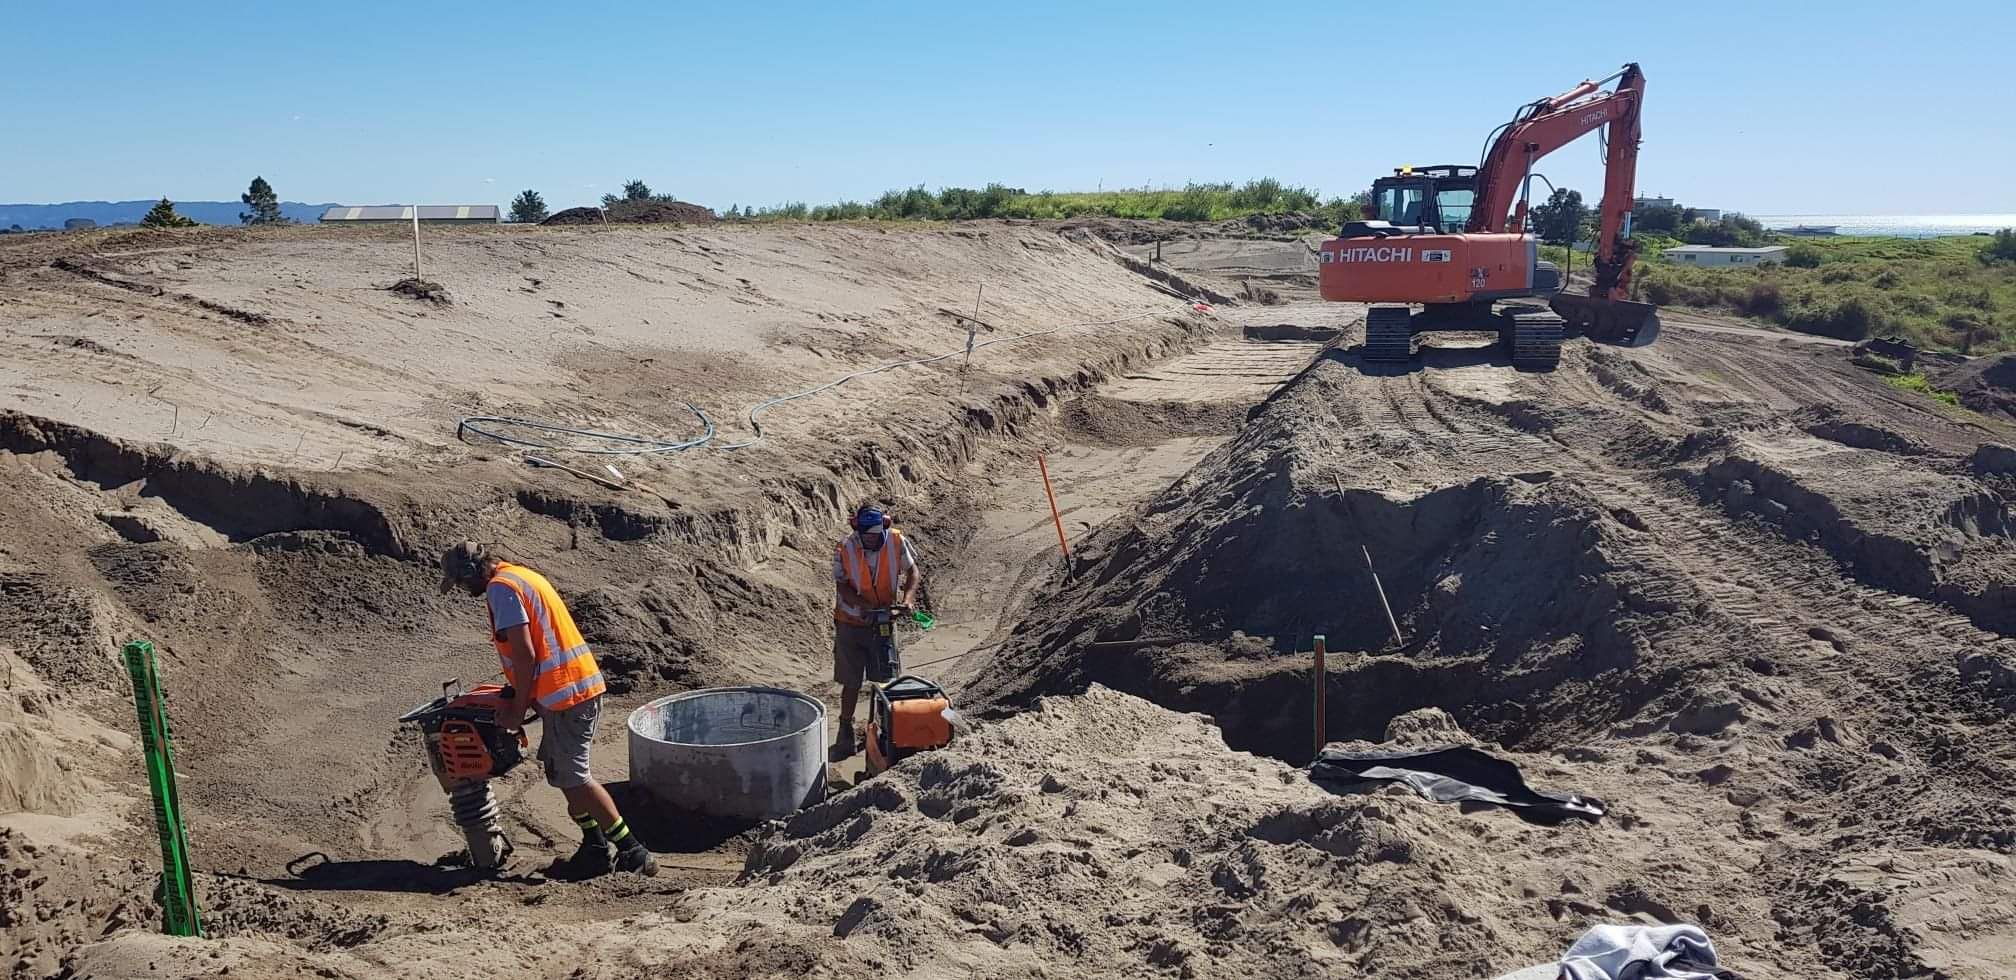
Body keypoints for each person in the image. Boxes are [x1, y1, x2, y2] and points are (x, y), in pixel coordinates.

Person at [438, 542, 657, 877]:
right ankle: (595, 848)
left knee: (575, 777)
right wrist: (514, 694)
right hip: (568, 691)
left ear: (470, 572)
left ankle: (634, 852)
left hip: (568, 695)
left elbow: (525, 654)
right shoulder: (519, 576)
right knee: (561, 775)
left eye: (462, 582)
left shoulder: (501, 589)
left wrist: (517, 708)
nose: (465, 590)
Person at [831, 505, 918, 757]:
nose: (871, 539)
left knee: (886, 678)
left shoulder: (896, 541)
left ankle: (887, 731)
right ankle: (845, 730)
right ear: (857, 529)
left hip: (883, 621)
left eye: (875, 534)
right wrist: (864, 606)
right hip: (851, 622)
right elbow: (842, 586)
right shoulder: (845, 547)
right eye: (866, 535)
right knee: (851, 681)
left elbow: (912, 571)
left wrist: (908, 598)